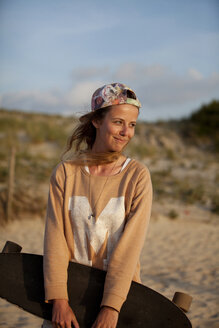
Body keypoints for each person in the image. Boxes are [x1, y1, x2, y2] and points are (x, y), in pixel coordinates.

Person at [42, 82, 153, 328]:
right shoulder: (65, 174)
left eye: (132, 124)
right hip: (70, 299)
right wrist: (59, 300)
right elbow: (55, 239)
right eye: (118, 122)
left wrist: (110, 308)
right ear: (96, 121)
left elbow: (129, 249)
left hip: (121, 301)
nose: (126, 132)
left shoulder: (136, 176)